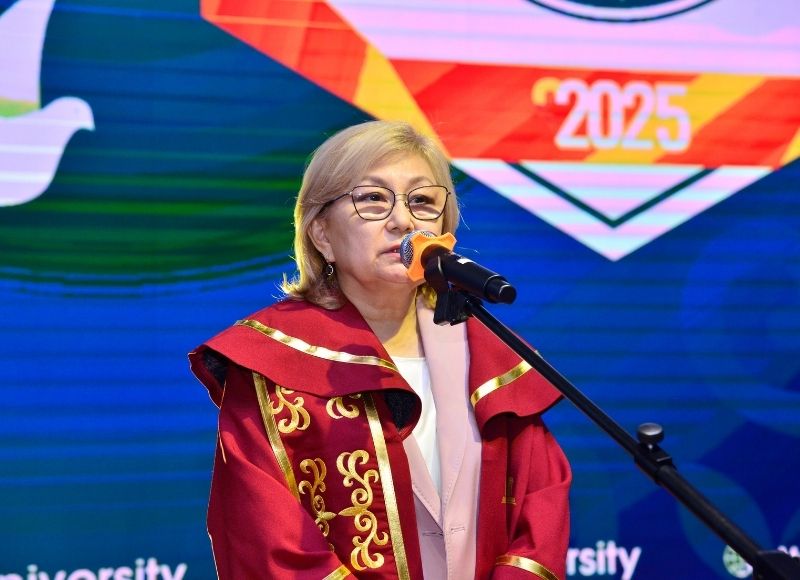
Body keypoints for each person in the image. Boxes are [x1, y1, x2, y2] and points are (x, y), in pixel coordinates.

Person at [189, 120, 571, 579]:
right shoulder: (270, 360)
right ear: (322, 234)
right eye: (372, 198)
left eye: (422, 201)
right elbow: (265, 535)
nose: (404, 221)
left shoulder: (490, 355)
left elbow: (540, 511)